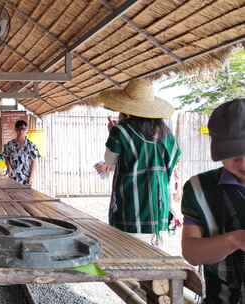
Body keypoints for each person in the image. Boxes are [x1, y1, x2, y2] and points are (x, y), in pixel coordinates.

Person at [94, 79, 181, 247]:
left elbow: (109, 161)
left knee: (129, 265)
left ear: (126, 109)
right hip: (160, 213)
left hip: (130, 212)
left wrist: (112, 132)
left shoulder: (121, 131)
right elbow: (171, 165)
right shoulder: (166, 134)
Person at [181, 99, 245, 303]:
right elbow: (192, 254)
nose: (243, 162)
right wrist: (233, 240)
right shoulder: (199, 188)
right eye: (232, 153)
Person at [3, 120, 40, 186]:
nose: (21, 131)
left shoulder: (31, 146)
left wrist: (31, 177)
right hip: (13, 177)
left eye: (23, 129)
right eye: (18, 129)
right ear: (15, 130)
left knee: (26, 196)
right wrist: (9, 168)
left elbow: (34, 162)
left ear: (26, 130)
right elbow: (6, 157)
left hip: (26, 178)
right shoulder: (9, 144)